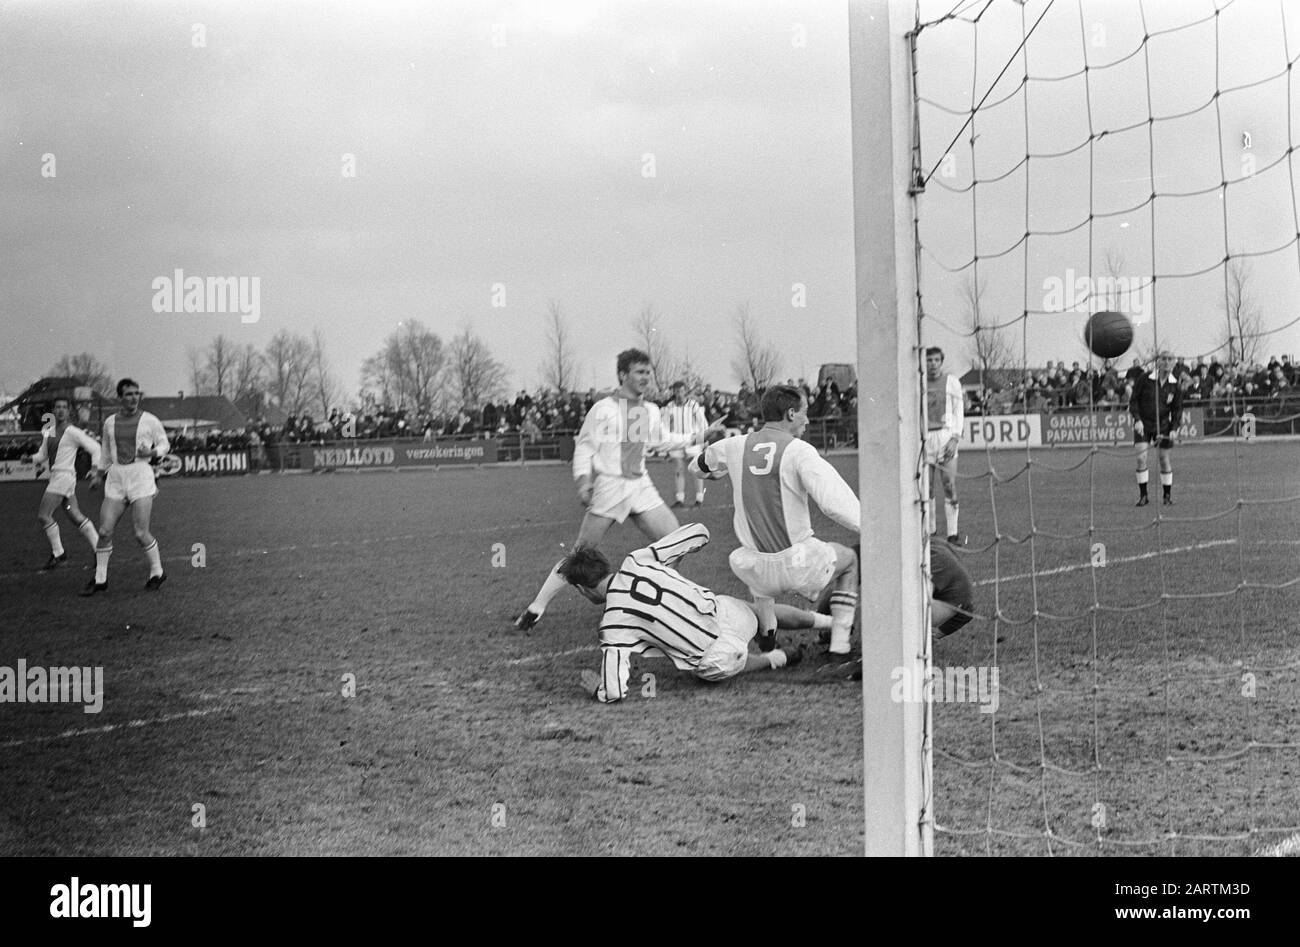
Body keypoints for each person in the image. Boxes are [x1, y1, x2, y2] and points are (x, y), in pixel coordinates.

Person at [512, 348, 721, 630]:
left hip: (641, 486)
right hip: (610, 486)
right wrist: (583, 481)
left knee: (676, 542)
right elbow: (585, 446)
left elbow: (662, 441)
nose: (646, 377)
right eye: (640, 372)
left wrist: (700, 435)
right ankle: (535, 609)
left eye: (648, 372)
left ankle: (654, 604)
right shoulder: (604, 409)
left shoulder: (649, 410)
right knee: (580, 555)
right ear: (623, 375)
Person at [561, 523, 822, 703]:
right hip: (729, 616)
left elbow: (615, 692)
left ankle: (776, 658)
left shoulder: (612, 623)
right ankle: (832, 623)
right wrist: (669, 566)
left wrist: (599, 689)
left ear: (583, 589)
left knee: (704, 666)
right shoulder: (637, 560)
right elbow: (699, 532)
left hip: (721, 658)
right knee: (760, 610)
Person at [695, 385, 861, 656]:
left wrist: (713, 475)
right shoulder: (799, 450)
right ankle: (840, 647)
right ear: (791, 413)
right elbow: (833, 503)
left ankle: (768, 633)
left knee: (761, 577)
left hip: (755, 569)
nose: (807, 420)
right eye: (805, 414)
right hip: (797, 563)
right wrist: (872, 527)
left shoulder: (735, 445)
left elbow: (698, 466)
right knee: (850, 561)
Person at [81, 378, 170, 595]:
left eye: (136, 393)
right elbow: (104, 451)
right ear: (120, 397)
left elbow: (164, 444)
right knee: (104, 531)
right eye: (129, 394)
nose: (134, 398)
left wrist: (153, 453)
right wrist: (98, 474)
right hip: (116, 478)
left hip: (141, 476)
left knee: (141, 533)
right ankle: (100, 579)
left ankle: (157, 572)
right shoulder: (110, 422)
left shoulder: (150, 420)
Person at [28, 396, 101, 571]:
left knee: (44, 516)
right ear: (53, 410)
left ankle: (59, 553)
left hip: (64, 477)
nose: (60, 410)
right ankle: (100, 551)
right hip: (59, 477)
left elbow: (96, 448)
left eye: (64, 407)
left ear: (69, 411)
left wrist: (95, 472)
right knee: (75, 515)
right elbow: (42, 455)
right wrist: (29, 458)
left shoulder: (73, 431)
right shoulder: (49, 431)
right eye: (57, 407)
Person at [1129, 350, 1182, 506]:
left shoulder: (1175, 385)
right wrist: (1137, 420)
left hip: (1164, 425)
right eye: (1164, 359)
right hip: (1144, 424)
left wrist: (1174, 428)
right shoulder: (1145, 379)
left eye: (1170, 359)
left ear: (1174, 362)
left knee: (1164, 459)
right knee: (1141, 458)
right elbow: (1133, 401)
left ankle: (1167, 496)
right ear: (1158, 362)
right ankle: (1143, 496)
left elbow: (1177, 410)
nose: (1166, 362)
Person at [924, 346, 964, 543]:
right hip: (925, 440)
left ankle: (953, 534)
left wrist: (955, 438)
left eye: (936, 360)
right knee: (927, 488)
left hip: (946, 437)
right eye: (929, 360)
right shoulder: (918, 382)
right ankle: (930, 531)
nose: (932, 364)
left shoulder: (952, 382)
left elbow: (959, 410)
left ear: (941, 361)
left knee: (949, 484)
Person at [662, 381, 708, 508]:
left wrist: (702, 440)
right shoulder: (669, 406)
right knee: (679, 469)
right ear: (673, 392)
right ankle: (680, 499)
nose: (679, 394)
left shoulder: (693, 405)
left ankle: (699, 498)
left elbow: (702, 423)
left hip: (692, 440)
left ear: (685, 391)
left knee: (696, 469)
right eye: (676, 391)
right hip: (676, 441)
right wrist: (667, 445)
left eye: (681, 391)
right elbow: (665, 427)